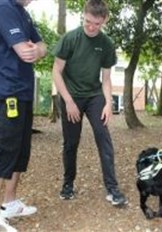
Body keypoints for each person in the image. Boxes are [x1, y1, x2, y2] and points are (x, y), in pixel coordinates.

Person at [0, 0, 47, 232]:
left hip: (23, 91)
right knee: (6, 148)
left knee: (20, 149)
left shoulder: (21, 12)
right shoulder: (1, 7)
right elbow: (25, 52)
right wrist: (35, 50)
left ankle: (9, 203)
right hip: (5, 90)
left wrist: (38, 48)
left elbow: (41, 47)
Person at [52, 0, 128, 206]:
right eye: (88, 22)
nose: (92, 27)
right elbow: (56, 71)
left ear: (104, 21)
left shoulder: (106, 44)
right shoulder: (70, 39)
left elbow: (106, 78)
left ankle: (112, 188)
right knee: (71, 142)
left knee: (104, 138)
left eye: (97, 24)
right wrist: (68, 101)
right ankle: (68, 184)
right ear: (83, 15)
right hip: (71, 96)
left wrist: (107, 103)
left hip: (95, 96)